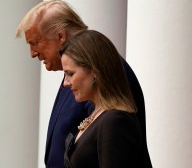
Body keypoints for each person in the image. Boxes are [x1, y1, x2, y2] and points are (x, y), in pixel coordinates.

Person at [16, 0, 151, 168]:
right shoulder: (80, 79)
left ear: (61, 36)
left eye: (35, 43)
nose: (32, 53)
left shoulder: (106, 83)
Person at [60, 29, 151, 167]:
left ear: (94, 71)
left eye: (70, 74)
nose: (65, 82)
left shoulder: (116, 121)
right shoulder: (99, 115)